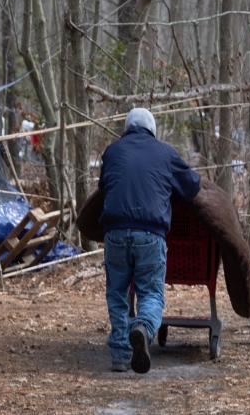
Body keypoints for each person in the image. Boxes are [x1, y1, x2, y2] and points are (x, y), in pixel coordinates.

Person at [99, 107, 201, 373]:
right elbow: (192, 185)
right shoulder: (166, 153)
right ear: (152, 129)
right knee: (151, 292)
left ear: (127, 127)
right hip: (150, 234)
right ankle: (143, 327)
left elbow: (104, 187)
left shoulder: (112, 151)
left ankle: (120, 356)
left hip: (115, 233)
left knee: (117, 294)